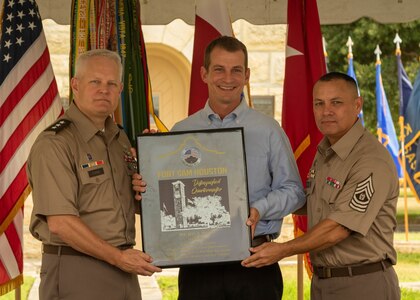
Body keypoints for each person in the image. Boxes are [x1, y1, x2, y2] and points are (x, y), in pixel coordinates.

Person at [242, 72, 401, 300]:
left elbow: (338, 228)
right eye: (319, 103)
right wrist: (256, 203)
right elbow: (308, 200)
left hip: (362, 284)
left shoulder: (370, 160)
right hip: (324, 284)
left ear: (357, 105)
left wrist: (282, 250)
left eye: (336, 102)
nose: (326, 111)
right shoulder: (327, 151)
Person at [169, 36, 304, 299]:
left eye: (236, 70)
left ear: (247, 76)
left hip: (255, 262)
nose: (227, 78)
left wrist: (260, 208)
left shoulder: (268, 130)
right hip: (199, 265)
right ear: (204, 74)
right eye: (219, 69)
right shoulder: (181, 132)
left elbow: (295, 191)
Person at [27, 49, 161, 300]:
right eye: (95, 82)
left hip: (124, 271)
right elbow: (61, 223)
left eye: (111, 83)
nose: (104, 89)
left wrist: (154, 174)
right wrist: (119, 258)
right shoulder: (56, 143)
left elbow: (130, 202)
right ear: (75, 85)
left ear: (120, 88)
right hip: (77, 270)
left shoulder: (119, 139)